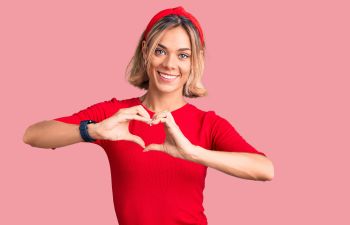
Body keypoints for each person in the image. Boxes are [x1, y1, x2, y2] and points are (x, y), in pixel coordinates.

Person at [23, 6, 274, 225]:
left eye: (183, 55)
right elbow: (33, 135)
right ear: (145, 51)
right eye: (160, 51)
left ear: (194, 61)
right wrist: (93, 130)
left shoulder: (207, 124)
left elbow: (265, 169)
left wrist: (193, 153)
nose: (170, 64)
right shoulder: (116, 115)